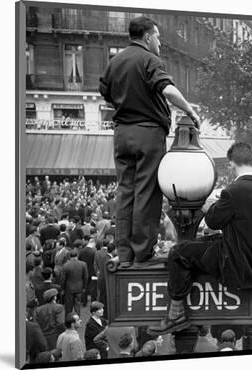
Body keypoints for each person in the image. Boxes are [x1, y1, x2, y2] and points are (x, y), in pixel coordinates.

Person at [148, 143, 252, 335]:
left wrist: (210, 206)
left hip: (234, 265)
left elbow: (212, 221)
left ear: (231, 164)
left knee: (178, 252)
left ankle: (176, 313)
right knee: (198, 245)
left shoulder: (232, 191)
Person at [99, 16, 201, 268]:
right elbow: (167, 90)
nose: (160, 42)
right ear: (147, 36)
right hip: (148, 133)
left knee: (126, 192)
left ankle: (125, 254)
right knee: (147, 191)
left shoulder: (115, 62)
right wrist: (190, 111)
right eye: (157, 36)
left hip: (122, 133)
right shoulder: (150, 60)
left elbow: (106, 93)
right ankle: (143, 253)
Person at [60, 249, 88, 316]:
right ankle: (77, 320)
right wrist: (84, 287)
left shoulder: (65, 265)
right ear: (77, 256)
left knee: (68, 306)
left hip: (69, 288)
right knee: (77, 305)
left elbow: (63, 279)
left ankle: (68, 321)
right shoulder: (83, 264)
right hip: (79, 287)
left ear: (70, 256)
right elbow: (86, 277)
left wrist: (62, 288)